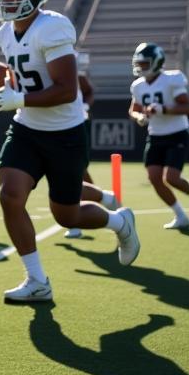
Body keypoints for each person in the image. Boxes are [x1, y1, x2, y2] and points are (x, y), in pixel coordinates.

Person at [0, 0, 140, 303]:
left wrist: (18, 96)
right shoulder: (5, 33)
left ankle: (119, 223)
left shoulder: (53, 27)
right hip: (26, 129)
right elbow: (21, 74)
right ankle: (36, 279)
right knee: (10, 196)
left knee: (67, 215)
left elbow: (66, 89)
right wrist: (6, 88)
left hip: (65, 131)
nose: (4, 0)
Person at [128, 42, 189, 229]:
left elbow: (188, 107)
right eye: (139, 64)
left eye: (145, 63)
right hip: (155, 135)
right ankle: (180, 215)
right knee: (154, 178)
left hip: (177, 133)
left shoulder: (172, 79)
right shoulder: (138, 86)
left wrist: (164, 109)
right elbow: (133, 109)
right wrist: (139, 117)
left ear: (156, 62)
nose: (140, 67)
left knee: (171, 178)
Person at [65, 52, 119, 239]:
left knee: (74, 171)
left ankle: (78, 217)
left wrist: (85, 106)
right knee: (70, 172)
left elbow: (88, 90)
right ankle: (104, 198)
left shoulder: (69, 67)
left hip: (74, 122)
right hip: (50, 124)